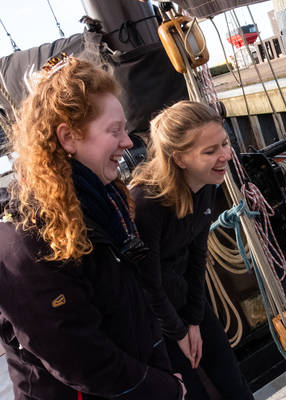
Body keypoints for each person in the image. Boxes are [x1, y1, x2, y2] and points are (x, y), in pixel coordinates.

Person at [0, 56, 184, 399]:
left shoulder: (106, 205)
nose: (128, 142)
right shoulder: (26, 244)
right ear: (68, 138)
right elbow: (83, 362)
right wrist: (165, 389)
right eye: (115, 131)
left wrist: (163, 374)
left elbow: (136, 306)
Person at [130, 100, 254, 400]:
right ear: (180, 159)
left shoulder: (207, 184)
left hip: (185, 302)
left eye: (224, 144)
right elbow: (148, 283)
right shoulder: (147, 204)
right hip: (154, 319)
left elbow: (198, 257)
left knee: (231, 379)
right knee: (191, 392)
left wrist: (195, 320)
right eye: (210, 152)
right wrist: (179, 332)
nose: (224, 155)